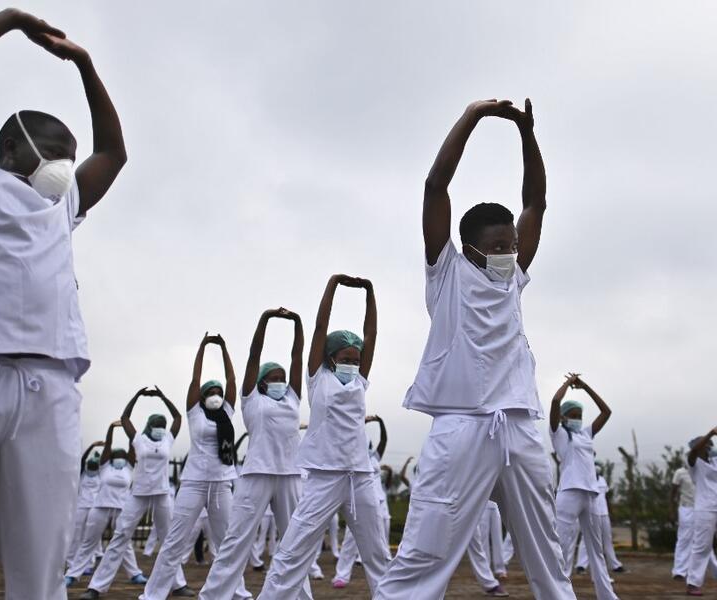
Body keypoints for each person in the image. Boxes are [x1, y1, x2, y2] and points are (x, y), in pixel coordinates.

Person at [0, 9, 126, 598]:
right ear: (17, 147)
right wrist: (9, 21)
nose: (68, 164)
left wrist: (85, 65)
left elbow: (115, 151)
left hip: (49, 387)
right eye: (60, 151)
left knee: (40, 577)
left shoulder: (61, 207)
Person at [374, 99, 575, 600]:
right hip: (461, 426)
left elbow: (536, 203)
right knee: (427, 548)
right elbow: (435, 187)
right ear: (471, 248)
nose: (510, 252)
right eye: (500, 246)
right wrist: (475, 115)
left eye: (512, 244)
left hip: (520, 427)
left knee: (547, 551)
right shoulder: (448, 274)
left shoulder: (513, 281)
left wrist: (527, 135)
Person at [259, 275, 389, 599]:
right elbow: (320, 328)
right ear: (331, 358)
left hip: (360, 476)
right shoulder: (319, 378)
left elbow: (372, 333)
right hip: (324, 475)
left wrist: (370, 292)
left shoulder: (359, 381)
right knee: (293, 551)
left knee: (378, 555)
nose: (352, 364)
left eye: (356, 360)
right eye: (346, 359)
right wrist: (333, 284)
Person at [200, 308, 313, 600]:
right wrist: (266, 319)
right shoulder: (252, 400)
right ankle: (212, 596)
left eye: (283, 378)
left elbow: (297, 357)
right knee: (236, 541)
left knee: (295, 543)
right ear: (262, 382)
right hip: (256, 476)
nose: (280, 381)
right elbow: (253, 355)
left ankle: (301, 597)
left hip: (289, 476)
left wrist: (298, 324)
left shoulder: (291, 397)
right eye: (274, 378)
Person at [140, 333, 250, 600]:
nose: (215, 395)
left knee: (227, 543)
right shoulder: (195, 412)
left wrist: (224, 348)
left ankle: (237, 592)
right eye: (210, 392)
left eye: (218, 392)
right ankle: (152, 595)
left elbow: (233, 381)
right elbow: (195, 379)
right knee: (175, 542)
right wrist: (202, 347)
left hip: (222, 483)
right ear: (201, 397)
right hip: (194, 483)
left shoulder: (227, 411)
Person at [81, 387, 181, 598]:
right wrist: (136, 397)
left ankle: (178, 584)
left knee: (169, 539)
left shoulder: (167, 440)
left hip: (162, 494)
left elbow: (177, 416)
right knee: (120, 536)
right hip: (138, 494)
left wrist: (163, 397)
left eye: (163, 425)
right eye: (157, 425)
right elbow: (125, 417)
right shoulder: (138, 440)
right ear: (149, 426)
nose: (161, 428)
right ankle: (96, 587)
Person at [550, 373, 618, 600]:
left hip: (590, 495)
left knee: (596, 551)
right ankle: (558, 594)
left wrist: (585, 387)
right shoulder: (559, 433)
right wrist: (568, 384)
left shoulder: (586, 434)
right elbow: (555, 402)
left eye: (580, 415)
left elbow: (606, 411)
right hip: (569, 494)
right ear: (563, 418)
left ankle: (607, 596)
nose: (578, 418)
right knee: (561, 548)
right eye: (573, 415)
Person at [66, 422, 144, 587]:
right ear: (111, 459)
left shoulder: (128, 468)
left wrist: (129, 431)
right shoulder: (105, 467)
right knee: (89, 541)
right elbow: (108, 446)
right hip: (100, 507)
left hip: (121, 509)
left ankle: (135, 574)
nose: (120, 460)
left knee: (125, 543)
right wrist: (111, 429)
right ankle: (72, 575)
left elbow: (132, 447)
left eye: (123, 458)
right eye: (117, 457)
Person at [332, 415, 392, 589]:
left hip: (378, 502)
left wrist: (381, 422)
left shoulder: (375, 458)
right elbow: (350, 432)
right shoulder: (356, 455)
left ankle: (386, 576)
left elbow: (384, 440)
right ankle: (341, 575)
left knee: (380, 540)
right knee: (351, 540)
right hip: (361, 500)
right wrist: (362, 422)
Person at [671, 449, 717, 583]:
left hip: (706, 507)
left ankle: (713, 570)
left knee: (703, 542)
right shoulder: (682, 472)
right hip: (688, 508)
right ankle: (680, 571)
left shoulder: (710, 470)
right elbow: (673, 491)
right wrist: (671, 509)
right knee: (686, 539)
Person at [685, 428, 717, 596]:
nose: (709, 447)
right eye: (706, 445)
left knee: (707, 547)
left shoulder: (714, 462)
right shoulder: (693, 463)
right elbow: (694, 450)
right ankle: (693, 583)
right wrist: (711, 433)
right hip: (705, 509)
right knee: (702, 546)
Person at [575, 464, 623, 574]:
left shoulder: (602, 480)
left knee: (607, 539)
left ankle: (615, 565)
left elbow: (605, 497)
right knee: (586, 538)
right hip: (591, 513)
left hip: (604, 513)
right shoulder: (586, 480)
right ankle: (581, 565)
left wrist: (611, 511)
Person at [67, 442, 106, 568]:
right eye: (91, 468)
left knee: (91, 535)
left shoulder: (100, 475)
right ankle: (71, 561)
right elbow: (82, 459)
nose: (92, 471)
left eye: (95, 469)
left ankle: (89, 563)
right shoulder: (82, 474)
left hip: (94, 508)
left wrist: (104, 449)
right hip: (81, 506)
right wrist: (92, 446)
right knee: (76, 534)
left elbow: (105, 461)